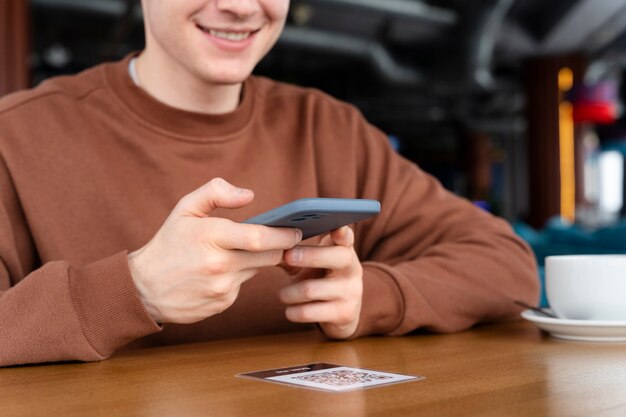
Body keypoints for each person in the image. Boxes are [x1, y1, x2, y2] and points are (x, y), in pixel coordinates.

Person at [0, 0, 539, 367]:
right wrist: (132, 289)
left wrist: (366, 297)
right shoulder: (17, 135)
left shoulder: (328, 127)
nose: (240, 5)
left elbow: (507, 266)